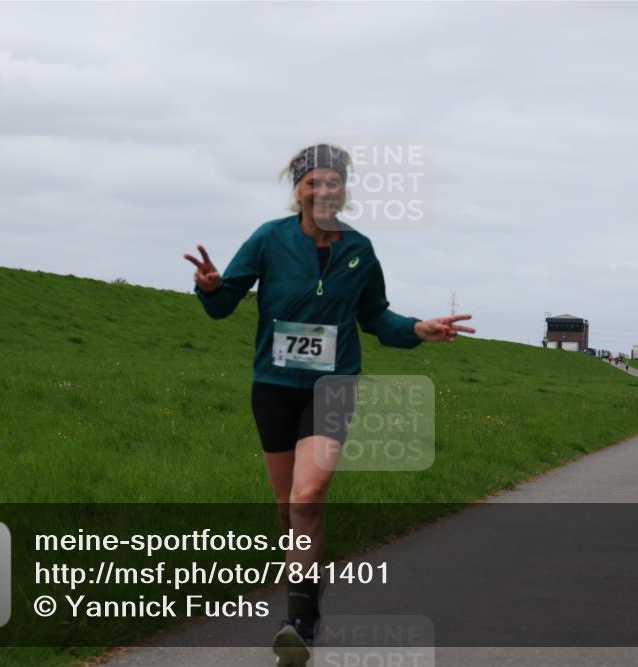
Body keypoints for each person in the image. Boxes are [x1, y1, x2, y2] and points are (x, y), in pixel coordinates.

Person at [185, 144, 475, 666]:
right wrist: (209, 288)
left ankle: (293, 622)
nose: (322, 191)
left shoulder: (360, 248)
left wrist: (416, 329)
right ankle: (309, 600)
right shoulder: (269, 240)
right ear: (296, 189)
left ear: (345, 190)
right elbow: (225, 301)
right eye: (311, 183)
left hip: (334, 385)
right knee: (287, 508)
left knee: (310, 495)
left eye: (332, 183)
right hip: (273, 386)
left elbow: (376, 317)